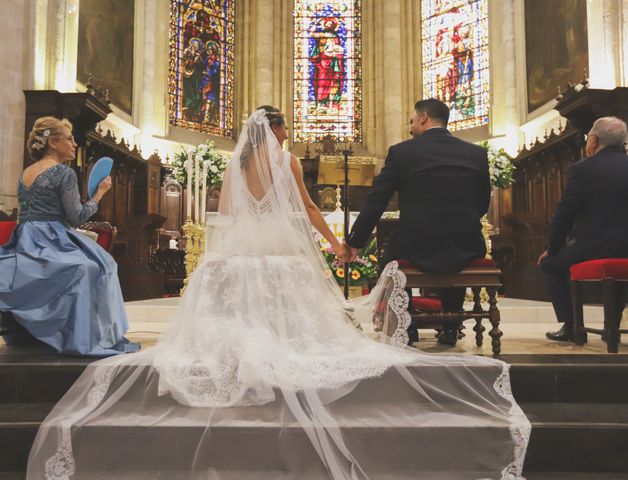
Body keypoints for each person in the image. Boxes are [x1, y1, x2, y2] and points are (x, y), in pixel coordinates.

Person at [27, 108, 529, 480]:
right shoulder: (284, 159)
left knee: (237, 279)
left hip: (243, 242)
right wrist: (336, 244)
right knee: (294, 286)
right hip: (282, 240)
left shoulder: (238, 162)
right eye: (284, 129)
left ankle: (240, 343)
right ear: (277, 131)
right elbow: (308, 208)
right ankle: (281, 341)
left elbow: (228, 211)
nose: (286, 137)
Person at [346, 98, 491, 346]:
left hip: (416, 243)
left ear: (423, 117)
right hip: (467, 243)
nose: (410, 127)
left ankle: (408, 324)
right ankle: (450, 325)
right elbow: (482, 203)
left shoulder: (402, 153)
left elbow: (377, 201)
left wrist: (355, 241)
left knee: (391, 258)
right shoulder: (476, 153)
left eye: (412, 121)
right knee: (452, 246)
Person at [0, 116, 139, 356]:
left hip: (25, 239)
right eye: (69, 139)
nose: (74, 144)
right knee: (101, 265)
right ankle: (88, 336)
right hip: (51, 238)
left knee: (88, 265)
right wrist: (99, 194)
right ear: (53, 143)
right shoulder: (63, 173)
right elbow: (76, 217)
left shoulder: (26, 172)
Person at [539, 116, 628, 342]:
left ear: (593, 140)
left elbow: (564, 215)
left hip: (597, 245)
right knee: (619, 267)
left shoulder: (584, 169)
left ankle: (573, 326)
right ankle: (611, 326)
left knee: (550, 264)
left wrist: (553, 248)